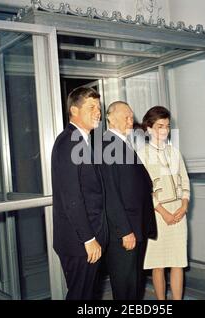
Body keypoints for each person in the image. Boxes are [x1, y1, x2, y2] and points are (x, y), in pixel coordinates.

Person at [51, 87, 108, 300]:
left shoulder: (81, 140)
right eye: (91, 107)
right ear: (74, 110)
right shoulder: (70, 141)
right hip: (80, 242)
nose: (98, 113)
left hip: (85, 240)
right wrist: (88, 238)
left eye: (99, 108)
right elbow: (71, 197)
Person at [100, 101, 157, 300]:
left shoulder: (122, 143)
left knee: (134, 284)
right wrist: (125, 231)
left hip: (135, 227)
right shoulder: (106, 145)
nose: (131, 121)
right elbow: (110, 195)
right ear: (111, 118)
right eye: (126, 116)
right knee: (125, 287)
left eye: (132, 116)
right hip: (125, 232)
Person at [137, 106, 190, 300]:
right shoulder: (141, 155)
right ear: (149, 128)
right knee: (157, 264)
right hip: (157, 216)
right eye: (160, 126)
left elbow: (185, 181)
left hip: (179, 213)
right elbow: (143, 190)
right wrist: (163, 212)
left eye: (167, 126)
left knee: (178, 262)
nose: (165, 130)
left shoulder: (174, 152)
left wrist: (184, 206)